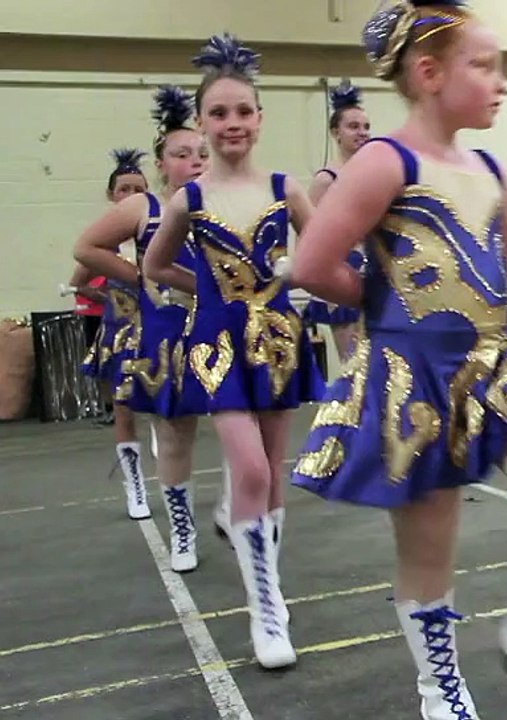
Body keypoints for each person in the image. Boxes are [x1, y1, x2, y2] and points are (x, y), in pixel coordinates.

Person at [288, 3, 507, 718]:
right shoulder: (384, 161)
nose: (500, 82)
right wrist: (380, 301)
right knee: (430, 544)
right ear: (429, 74)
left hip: (490, 363)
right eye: (484, 67)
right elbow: (312, 263)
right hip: (413, 375)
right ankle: (441, 686)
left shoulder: (492, 167)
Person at [143, 34, 323, 669]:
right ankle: (265, 611)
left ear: (261, 117)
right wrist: (209, 292)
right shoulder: (187, 199)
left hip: (277, 340)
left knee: (273, 472)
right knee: (248, 469)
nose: (232, 124)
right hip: (215, 344)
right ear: (202, 122)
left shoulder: (285, 187)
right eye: (218, 113)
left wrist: (292, 278)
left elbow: (320, 252)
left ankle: (268, 584)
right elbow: (156, 264)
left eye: (243, 111)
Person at [74, 88, 211, 555]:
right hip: (168, 334)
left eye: (201, 153)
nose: (194, 161)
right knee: (175, 432)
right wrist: (136, 277)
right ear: (161, 162)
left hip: (221, 331)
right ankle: (183, 526)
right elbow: (86, 249)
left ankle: (245, 518)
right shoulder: (144, 208)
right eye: (181, 154)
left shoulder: (223, 203)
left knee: (248, 428)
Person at [72, 148, 150, 514]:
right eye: (124, 189)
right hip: (122, 330)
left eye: (139, 189)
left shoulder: (158, 227)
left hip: (160, 328)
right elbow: (79, 281)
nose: (132, 196)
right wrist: (112, 294)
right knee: (123, 408)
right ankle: (134, 484)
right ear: (111, 195)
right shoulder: (106, 239)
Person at [303, 79, 373, 364]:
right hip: (344, 271)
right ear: (336, 132)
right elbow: (311, 236)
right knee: (354, 363)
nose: (362, 133)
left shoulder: (374, 174)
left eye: (366, 127)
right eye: (353, 127)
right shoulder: (326, 180)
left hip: (376, 271)